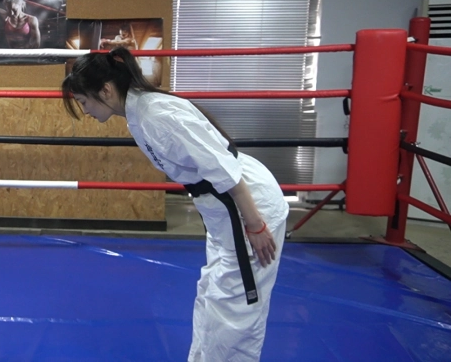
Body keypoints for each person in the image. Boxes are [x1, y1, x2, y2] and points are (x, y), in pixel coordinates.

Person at [61, 47, 288, 362]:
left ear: (106, 90)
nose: (85, 111)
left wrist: (256, 225)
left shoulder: (157, 116)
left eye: (84, 101)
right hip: (223, 210)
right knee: (212, 299)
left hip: (248, 205)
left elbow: (226, 171)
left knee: (235, 315)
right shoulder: (140, 113)